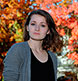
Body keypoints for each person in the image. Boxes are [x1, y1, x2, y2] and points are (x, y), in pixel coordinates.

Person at [3, 9, 63, 81]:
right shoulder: (18, 50)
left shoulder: (52, 57)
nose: (37, 29)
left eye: (42, 25)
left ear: (48, 31)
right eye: (33, 24)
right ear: (27, 27)